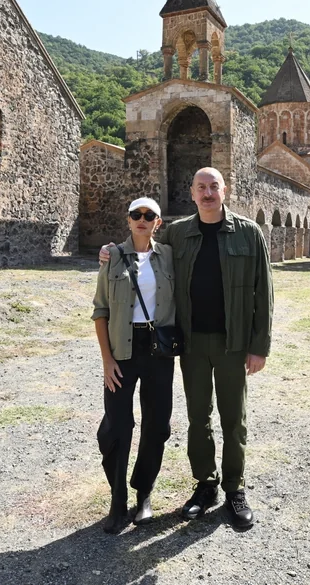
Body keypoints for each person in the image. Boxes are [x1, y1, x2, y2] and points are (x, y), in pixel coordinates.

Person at [98, 167, 273, 530]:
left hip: (233, 343)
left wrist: (260, 347)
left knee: (233, 419)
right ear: (192, 193)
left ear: (225, 190)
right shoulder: (178, 233)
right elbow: (142, 243)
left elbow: (264, 293)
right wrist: (110, 251)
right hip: (190, 341)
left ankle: (234, 490)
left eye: (213, 187)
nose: (207, 193)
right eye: (201, 188)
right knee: (198, 418)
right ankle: (205, 485)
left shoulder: (249, 233)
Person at [91, 197, 177, 534]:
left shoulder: (169, 256)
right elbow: (100, 310)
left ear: (158, 222)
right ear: (128, 220)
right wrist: (106, 359)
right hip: (121, 351)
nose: (142, 220)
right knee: (117, 426)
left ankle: (143, 493)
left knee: (157, 426)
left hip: (158, 351)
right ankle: (117, 499)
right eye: (135, 215)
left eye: (149, 215)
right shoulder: (111, 256)